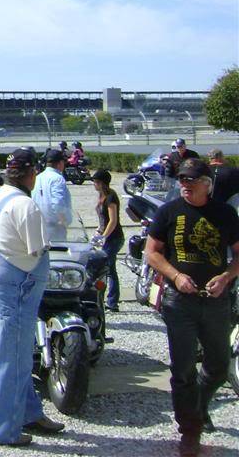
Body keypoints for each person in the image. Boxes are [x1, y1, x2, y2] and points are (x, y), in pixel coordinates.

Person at [145, 159, 239, 456]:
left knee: (219, 367)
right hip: (179, 301)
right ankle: (190, 429)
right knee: (183, 368)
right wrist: (175, 275)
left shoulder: (225, 214)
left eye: (191, 180)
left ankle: (197, 405)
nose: (185, 185)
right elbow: (151, 253)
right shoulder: (168, 212)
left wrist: (226, 276)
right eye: (182, 180)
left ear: (206, 184)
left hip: (215, 301)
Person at [0, 147, 62, 446]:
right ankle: (2, 431)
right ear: (32, 173)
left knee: (8, 355)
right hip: (14, 291)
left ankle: (28, 412)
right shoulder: (26, 205)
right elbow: (37, 248)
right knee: (14, 361)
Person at [92, 169, 125, 312]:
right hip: (106, 236)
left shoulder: (111, 197)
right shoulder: (101, 197)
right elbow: (103, 220)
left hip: (114, 238)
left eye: (97, 182)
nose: (94, 184)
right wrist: (98, 232)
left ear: (103, 183)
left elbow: (113, 220)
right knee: (106, 269)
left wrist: (104, 237)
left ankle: (112, 302)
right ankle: (105, 300)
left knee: (109, 270)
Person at [32, 148, 73, 241]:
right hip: (55, 227)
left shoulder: (38, 178)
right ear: (60, 163)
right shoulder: (57, 178)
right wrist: (64, 221)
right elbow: (58, 203)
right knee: (58, 254)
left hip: (39, 225)